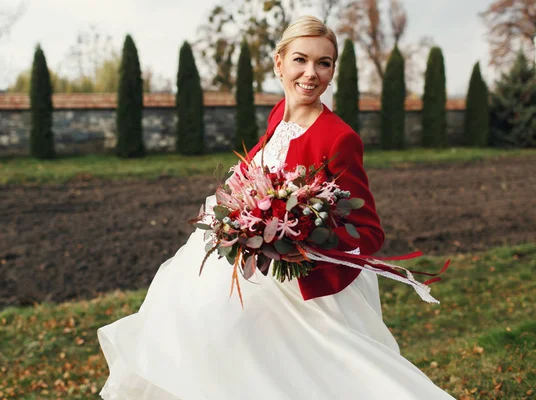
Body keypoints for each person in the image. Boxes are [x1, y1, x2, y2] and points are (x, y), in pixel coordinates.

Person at [97, 16, 454, 400]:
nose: (311, 73)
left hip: (301, 283)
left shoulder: (339, 138)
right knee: (202, 339)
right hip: (250, 268)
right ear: (278, 63)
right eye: (300, 60)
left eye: (324, 63)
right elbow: (258, 174)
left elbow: (369, 232)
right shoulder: (278, 114)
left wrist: (301, 240)